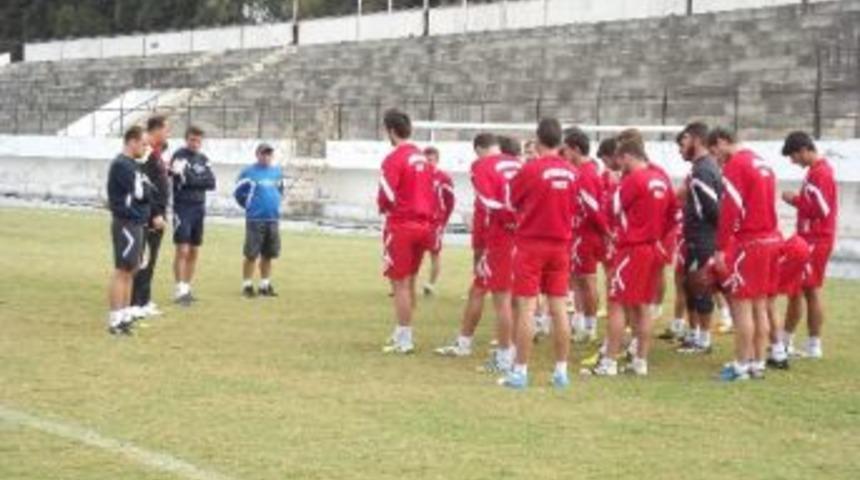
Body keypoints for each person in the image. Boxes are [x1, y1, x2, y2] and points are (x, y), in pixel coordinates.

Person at [500, 118, 578, 389]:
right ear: (560, 141)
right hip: (561, 246)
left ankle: (520, 371)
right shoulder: (572, 172)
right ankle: (561, 372)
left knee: (527, 308)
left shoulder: (531, 169)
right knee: (559, 308)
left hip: (531, 244)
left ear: (538, 139)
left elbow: (512, 201)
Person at [708, 127, 780, 381]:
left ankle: (740, 366)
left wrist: (720, 247)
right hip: (771, 238)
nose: (716, 158)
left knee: (742, 306)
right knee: (760, 304)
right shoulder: (761, 162)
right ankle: (757, 363)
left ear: (722, 142)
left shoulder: (736, 165)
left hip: (750, 242)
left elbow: (730, 209)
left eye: (715, 151)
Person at [604, 130, 678, 376]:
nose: (619, 165)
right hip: (652, 248)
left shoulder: (633, 180)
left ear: (627, 156)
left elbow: (612, 209)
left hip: (632, 248)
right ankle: (640, 362)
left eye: (620, 160)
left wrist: (615, 185)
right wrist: (658, 237)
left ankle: (609, 362)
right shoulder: (661, 178)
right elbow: (673, 214)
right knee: (643, 306)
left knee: (617, 303)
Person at [378, 109, 437, 354]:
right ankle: (401, 331)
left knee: (399, 284)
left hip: (402, 225)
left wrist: (386, 209)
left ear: (391, 131)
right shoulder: (423, 158)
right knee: (409, 281)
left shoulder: (394, 158)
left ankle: (405, 338)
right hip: (424, 226)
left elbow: (386, 195)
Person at [780, 131, 838, 359]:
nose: (793, 161)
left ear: (804, 150)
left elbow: (822, 210)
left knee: (805, 290)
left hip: (816, 239)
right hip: (811, 239)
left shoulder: (821, 173)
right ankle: (797, 342)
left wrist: (794, 199)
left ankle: (802, 343)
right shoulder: (817, 171)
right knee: (803, 289)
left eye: (793, 156)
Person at [676, 122, 722, 354]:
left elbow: (714, 209)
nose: (680, 147)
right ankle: (695, 334)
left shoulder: (703, 169)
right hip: (696, 237)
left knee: (701, 285)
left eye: (684, 140)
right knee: (690, 285)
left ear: (695, 139)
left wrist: (711, 237)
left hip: (703, 238)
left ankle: (704, 339)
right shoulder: (700, 168)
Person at [562, 127, 608, 343]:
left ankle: (590, 327)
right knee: (578, 279)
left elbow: (593, 208)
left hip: (587, 236)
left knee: (587, 281)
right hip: (579, 234)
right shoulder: (583, 171)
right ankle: (581, 323)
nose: (564, 153)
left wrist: (606, 232)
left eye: (567, 149)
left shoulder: (586, 173)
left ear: (576, 149)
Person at [106, 126, 151, 335]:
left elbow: (148, 191)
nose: (145, 148)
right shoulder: (122, 165)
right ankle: (115, 320)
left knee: (131, 269)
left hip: (135, 222)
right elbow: (143, 193)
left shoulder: (133, 165)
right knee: (122, 270)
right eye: (143, 143)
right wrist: (145, 193)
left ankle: (124, 316)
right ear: (132, 141)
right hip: (126, 222)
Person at [170, 126, 217, 306]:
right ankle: (179, 290)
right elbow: (182, 179)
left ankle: (187, 288)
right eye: (192, 140)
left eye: (198, 140)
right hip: (182, 207)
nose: (195, 143)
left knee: (194, 250)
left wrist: (194, 180)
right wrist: (198, 180)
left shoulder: (203, 159)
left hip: (199, 208)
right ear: (186, 139)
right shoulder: (179, 156)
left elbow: (211, 182)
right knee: (182, 249)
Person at [129, 115, 170, 319]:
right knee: (143, 258)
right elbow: (145, 185)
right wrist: (156, 213)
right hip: (150, 215)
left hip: (158, 214)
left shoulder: (157, 153)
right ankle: (136, 302)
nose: (168, 133)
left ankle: (144, 300)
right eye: (166, 129)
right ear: (157, 130)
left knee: (151, 258)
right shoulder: (146, 153)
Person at [234, 143, 287, 298]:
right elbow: (238, 193)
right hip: (255, 219)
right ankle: (247, 285)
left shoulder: (277, 172)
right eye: (263, 153)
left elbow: (280, 190)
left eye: (269, 154)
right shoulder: (248, 172)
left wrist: (275, 203)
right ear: (257, 155)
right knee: (251, 254)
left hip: (272, 219)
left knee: (268, 254)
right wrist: (250, 206)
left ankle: (265, 285)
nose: (266, 156)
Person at [422, 146, 455, 297]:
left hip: (435, 222)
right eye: (426, 160)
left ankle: (431, 284)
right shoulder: (417, 176)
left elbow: (450, 201)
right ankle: (406, 284)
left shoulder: (443, 178)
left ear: (437, 160)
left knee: (434, 253)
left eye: (431, 160)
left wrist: (443, 220)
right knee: (412, 253)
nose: (428, 163)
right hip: (418, 220)